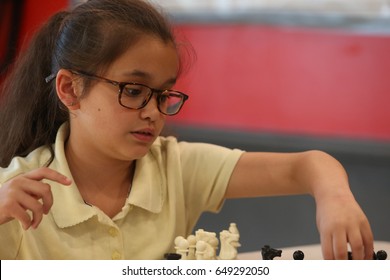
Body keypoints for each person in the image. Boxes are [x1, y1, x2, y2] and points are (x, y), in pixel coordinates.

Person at [0, 0, 373, 260]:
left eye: (163, 95)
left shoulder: (174, 168)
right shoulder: (14, 193)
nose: (152, 113)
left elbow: (307, 165)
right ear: (69, 89)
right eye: (133, 91)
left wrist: (335, 199)